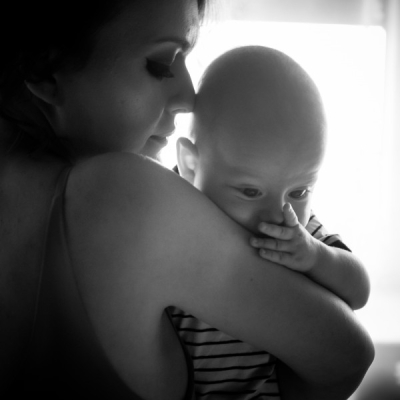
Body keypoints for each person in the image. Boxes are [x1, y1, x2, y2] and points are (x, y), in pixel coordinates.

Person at [0, 1, 374, 399]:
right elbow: (348, 356)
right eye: (160, 64)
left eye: (299, 191)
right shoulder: (128, 192)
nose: (190, 96)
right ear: (45, 71)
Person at [171, 45, 371, 399]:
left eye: (299, 191)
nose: (278, 213)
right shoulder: (168, 212)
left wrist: (315, 256)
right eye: (251, 191)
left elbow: (359, 292)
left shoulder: (298, 234)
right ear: (190, 165)